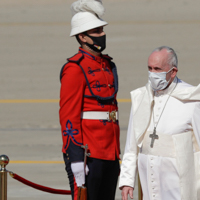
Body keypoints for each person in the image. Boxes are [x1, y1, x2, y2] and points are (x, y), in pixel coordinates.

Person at [119, 46, 200, 200]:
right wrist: (127, 181)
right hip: (150, 182)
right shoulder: (141, 97)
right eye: (150, 68)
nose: (152, 74)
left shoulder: (194, 100)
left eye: (158, 69)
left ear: (173, 72)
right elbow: (131, 144)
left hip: (180, 184)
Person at [59, 0, 120, 199]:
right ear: (82, 37)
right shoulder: (75, 69)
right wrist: (76, 157)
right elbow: (69, 116)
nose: (102, 35)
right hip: (88, 153)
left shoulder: (107, 65)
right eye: (96, 31)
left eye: (101, 30)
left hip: (110, 151)